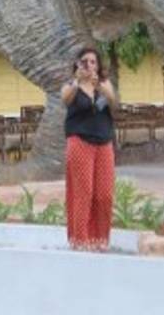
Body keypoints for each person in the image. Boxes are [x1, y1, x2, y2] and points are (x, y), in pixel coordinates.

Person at [61, 47, 117, 250]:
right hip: (80, 141)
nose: (90, 65)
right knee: (83, 191)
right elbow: (65, 100)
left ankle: (100, 240)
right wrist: (77, 81)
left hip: (104, 142)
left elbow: (114, 103)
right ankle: (80, 240)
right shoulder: (71, 85)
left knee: (104, 194)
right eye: (85, 61)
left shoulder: (104, 84)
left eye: (93, 61)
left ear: (99, 65)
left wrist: (101, 88)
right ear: (78, 64)